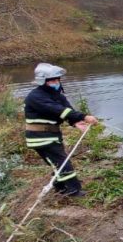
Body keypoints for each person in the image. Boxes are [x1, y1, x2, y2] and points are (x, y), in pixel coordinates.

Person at [24, 63, 98, 197]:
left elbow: (67, 111)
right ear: (43, 82)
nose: (56, 82)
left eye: (58, 79)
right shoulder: (35, 97)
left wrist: (76, 122)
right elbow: (57, 110)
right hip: (40, 138)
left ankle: (59, 187)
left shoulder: (58, 95)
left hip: (52, 136)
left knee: (58, 163)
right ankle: (74, 191)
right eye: (52, 80)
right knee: (63, 163)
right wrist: (84, 116)